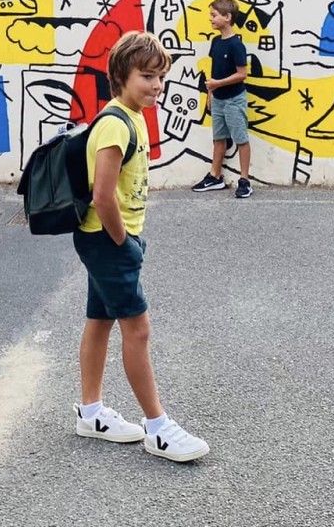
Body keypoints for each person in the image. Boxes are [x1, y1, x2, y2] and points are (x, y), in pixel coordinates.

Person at [73, 30, 209, 463]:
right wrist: (123, 242)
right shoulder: (115, 124)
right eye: (147, 76)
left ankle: (91, 413)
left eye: (161, 78)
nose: (156, 86)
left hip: (105, 240)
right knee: (138, 328)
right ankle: (158, 428)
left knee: (100, 321)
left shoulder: (128, 116)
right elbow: (103, 195)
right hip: (108, 239)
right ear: (121, 75)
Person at [191, 0, 253, 198]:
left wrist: (217, 84)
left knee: (241, 139)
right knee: (219, 139)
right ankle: (215, 176)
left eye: (214, 15)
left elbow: (241, 74)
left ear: (227, 17)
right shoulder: (216, 42)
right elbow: (213, 71)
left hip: (234, 99)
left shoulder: (236, 45)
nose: (211, 19)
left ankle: (244, 181)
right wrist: (210, 94)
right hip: (217, 99)